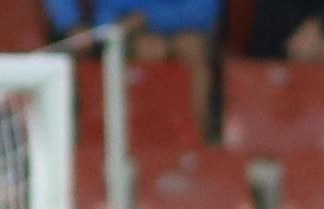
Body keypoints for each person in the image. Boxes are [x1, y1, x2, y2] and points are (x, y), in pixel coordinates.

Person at [45, 1, 218, 130]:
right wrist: (71, 23)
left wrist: (150, 20)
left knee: (191, 46)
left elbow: (204, 12)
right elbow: (105, 16)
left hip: (185, 34)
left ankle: (197, 142)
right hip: (120, 36)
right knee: (140, 48)